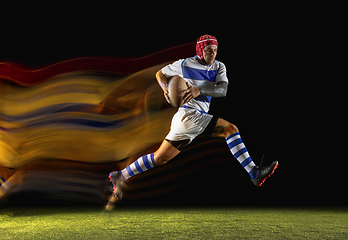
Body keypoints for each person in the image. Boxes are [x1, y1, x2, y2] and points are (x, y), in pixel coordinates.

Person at [105, 34, 278, 210]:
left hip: (186, 119)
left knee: (160, 158)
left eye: (215, 50)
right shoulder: (184, 64)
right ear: (199, 50)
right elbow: (160, 74)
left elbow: (223, 90)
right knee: (230, 130)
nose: (212, 54)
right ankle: (253, 171)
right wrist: (166, 89)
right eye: (208, 50)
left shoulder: (219, 67)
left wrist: (199, 89)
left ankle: (121, 175)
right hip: (189, 115)